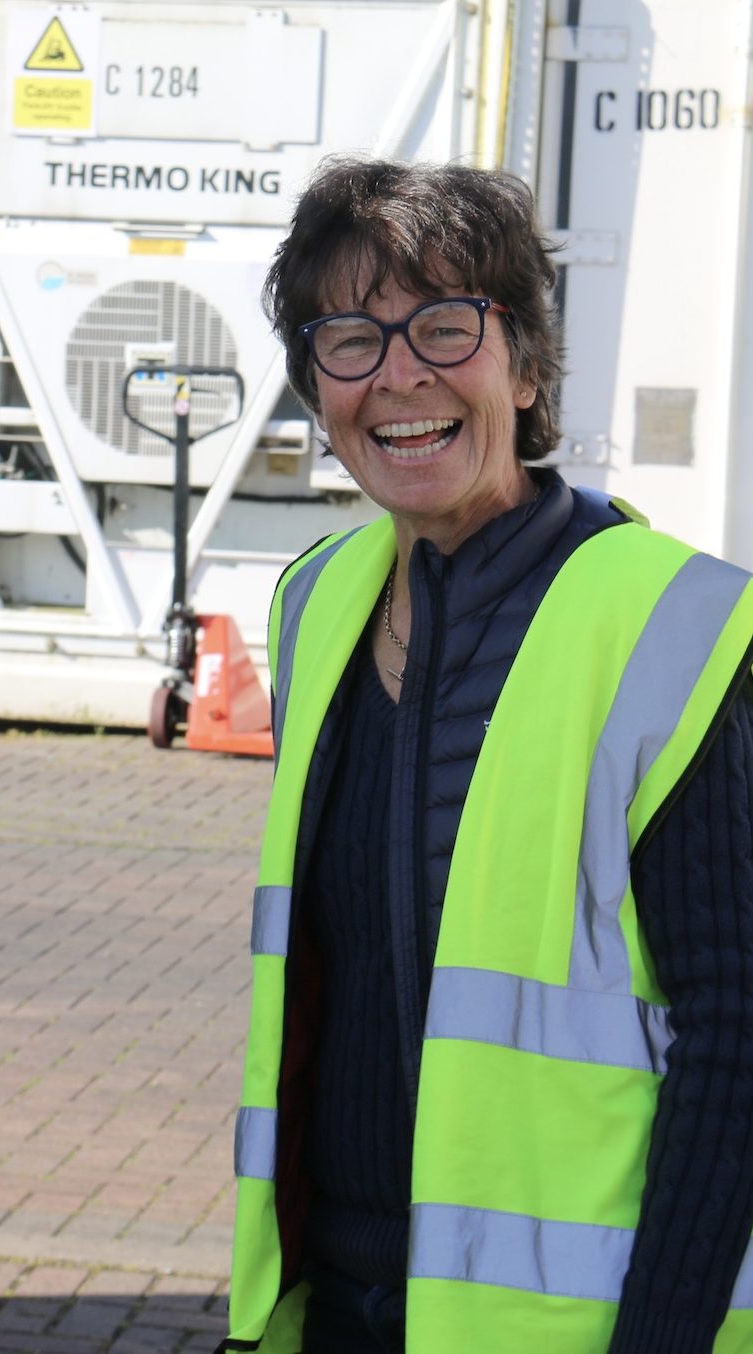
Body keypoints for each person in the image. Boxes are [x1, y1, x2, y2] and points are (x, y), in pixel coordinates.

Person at [219, 157, 753, 1353]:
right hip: (338, 1306)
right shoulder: (318, 604)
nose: (398, 374)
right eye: (348, 337)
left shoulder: (659, 623)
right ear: (316, 385)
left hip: (571, 1322)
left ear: (523, 363)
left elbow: (737, 1027)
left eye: (443, 325)